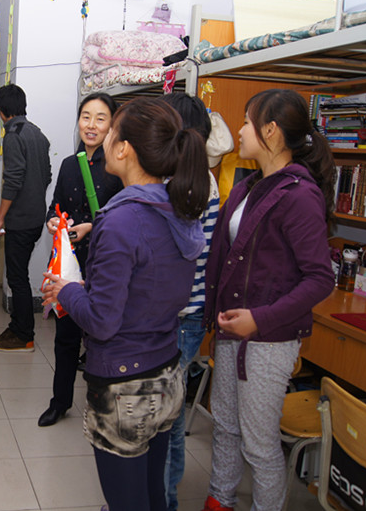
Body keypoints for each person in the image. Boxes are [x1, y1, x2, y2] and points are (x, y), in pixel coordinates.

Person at [42, 96, 210, 511]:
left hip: (125, 387)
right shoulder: (179, 208)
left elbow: (101, 320)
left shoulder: (121, 220)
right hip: (166, 373)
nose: (103, 133)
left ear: (124, 149)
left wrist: (66, 289)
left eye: (111, 128)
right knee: (153, 497)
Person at [201, 89, 336, 511]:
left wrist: (258, 319)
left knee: (259, 445)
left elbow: (320, 279)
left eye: (245, 122)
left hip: (267, 339)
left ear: (271, 131)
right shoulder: (249, 187)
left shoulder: (299, 195)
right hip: (231, 331)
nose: (238, 131)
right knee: (225, 426)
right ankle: (220, 500)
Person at [37, 92, 122, 427]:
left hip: (105, 265)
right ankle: (60, 402)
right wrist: (52, 221)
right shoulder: (70, 164)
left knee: (103, 338)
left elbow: (125, 216)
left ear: (112, 123)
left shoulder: (118, 164)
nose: (91, 125)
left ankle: (104, 406)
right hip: (71, 265)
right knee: (66, 337)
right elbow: (55, 204)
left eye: (100, 118)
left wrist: (91, 226)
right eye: (86, 116)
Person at [161, 93, 220, 511]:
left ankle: (161, 499)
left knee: (164, 417)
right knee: (173, 413)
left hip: (182, 313)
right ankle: (165, 495)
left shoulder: (190, 181)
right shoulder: (191, 175)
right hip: (185, 311)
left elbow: (185, 252)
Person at [0, 84, 51, 352]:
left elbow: (12, 180)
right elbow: (46, 176)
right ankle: (17, 328)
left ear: (2, 112)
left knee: (17, 278)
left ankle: (23, 334)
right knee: (19, 275)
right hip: (37, 216)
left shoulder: (13, 136)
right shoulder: (37, 133)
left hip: (21, 219)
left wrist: (0, 218)